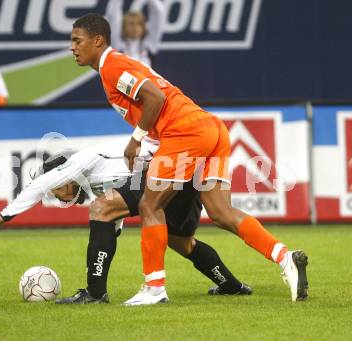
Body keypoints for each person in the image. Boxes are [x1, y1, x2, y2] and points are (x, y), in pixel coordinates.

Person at [70, 13, 309, 304]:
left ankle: (154, 289)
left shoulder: (112, 67)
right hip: (210, 129)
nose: (72, 47)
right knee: (222, 213)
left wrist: (135, 140)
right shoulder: (117, 65)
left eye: (76, 40)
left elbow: (155, 98)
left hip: (186, 132)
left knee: (150, 204)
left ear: (97, 41)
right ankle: (285, 259)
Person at [0, 138, 252, 304]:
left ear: (62, 175)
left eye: (56, 188)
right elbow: (114, 221)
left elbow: (40, 185)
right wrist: (106, 239)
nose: (56, 195)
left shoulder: (79, 162)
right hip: (181, 173)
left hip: (159, 169)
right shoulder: (97, 178)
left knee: (101, 209)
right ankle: (231, 286)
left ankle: (95, 294)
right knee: (181, 241)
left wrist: (4, 215)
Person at [105, 0, 164, 66]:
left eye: (139, 24)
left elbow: (158, 13)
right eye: (131, 24)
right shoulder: (118, 45)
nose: (135, 27)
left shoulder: (149, 45)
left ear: (143, 27)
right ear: (124, 26)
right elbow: (113, 12)